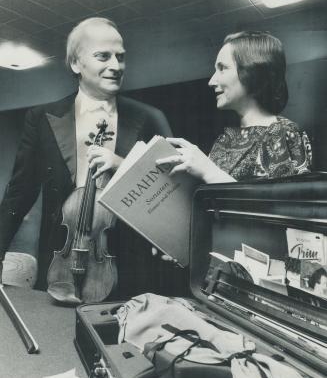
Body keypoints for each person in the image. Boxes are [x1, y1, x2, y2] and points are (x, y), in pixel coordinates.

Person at [0, 17, 172, 294]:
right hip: (60, 259)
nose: (116, 66)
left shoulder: (151, 118)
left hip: (130, 267)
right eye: (103, 56)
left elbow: (171, 190)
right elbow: (19, 192)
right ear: (76, 63)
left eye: (120, 57)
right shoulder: (41, 118)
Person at [156, 31, 311, 182]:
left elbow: (282, 206)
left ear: (252, 72)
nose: (211, 81)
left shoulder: (284, 132)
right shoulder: (223, 141)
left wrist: (209, 171)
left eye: (222, 68)